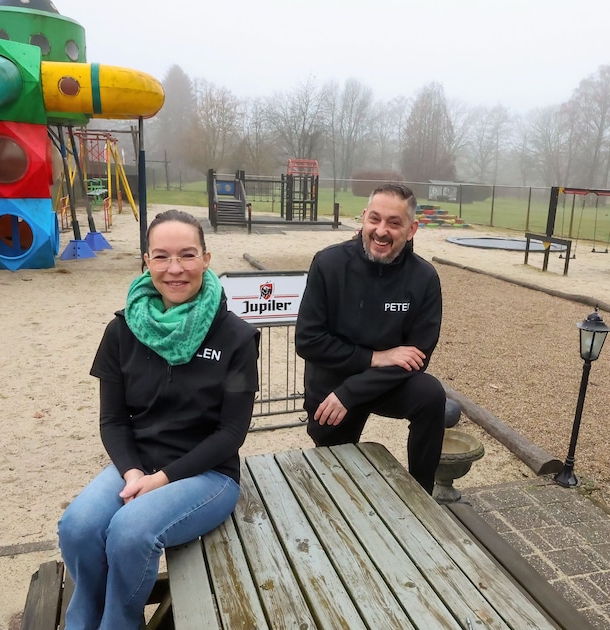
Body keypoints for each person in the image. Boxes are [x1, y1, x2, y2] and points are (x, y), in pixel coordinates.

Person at [57, 210, 259, 630]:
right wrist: (133, 471)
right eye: (162, 257)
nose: (175, 269)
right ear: (146, 261)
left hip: (207, 474)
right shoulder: (122, 330)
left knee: (130, 534)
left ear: (206, 258)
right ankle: (84, 617)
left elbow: (231, 433)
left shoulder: (236, 337)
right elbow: (113, 419)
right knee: (77, 526)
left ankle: (119, 624)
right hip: (138, 464)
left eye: (187, 255)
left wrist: (160, 480)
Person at [294, 183, 446, 493]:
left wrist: (354, 390)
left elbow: (417, 356)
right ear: (363, 218)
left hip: (383, 384)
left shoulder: (424, 278)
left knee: (431, 395)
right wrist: (375, 358)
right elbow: (308, 340)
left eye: (394, 223)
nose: (381, 231)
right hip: (333, 382)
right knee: (334, 477)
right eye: (374, 219)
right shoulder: (329, 263)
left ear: (412, 229)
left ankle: (423, 494)